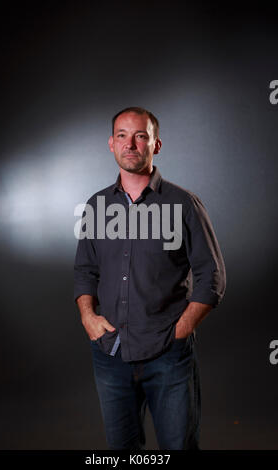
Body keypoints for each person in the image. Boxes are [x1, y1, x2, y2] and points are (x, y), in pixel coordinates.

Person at [73, 106, 226, 450]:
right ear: (111, 144)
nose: (131, 144)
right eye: (123, 136)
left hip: (168, 356)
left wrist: (181, 329)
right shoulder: (96, 206)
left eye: (141, 135)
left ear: (156, 145)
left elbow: (212, 275)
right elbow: (85, 270)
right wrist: (88, 317)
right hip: (110, 353)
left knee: (179, 447)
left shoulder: (184, 204)